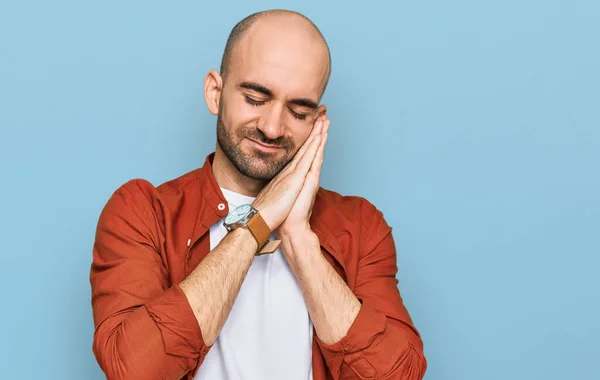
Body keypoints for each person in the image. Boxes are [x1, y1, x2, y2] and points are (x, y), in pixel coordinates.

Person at [90, 9, 426, 380]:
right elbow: (135, 370)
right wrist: (257, 222)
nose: (271, 127)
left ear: (317, 120)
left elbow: (398, 374)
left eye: (298, 111)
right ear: (215, 93)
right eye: (255, 98)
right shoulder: (143, 212)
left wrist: (299, 240)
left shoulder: (361, 226)